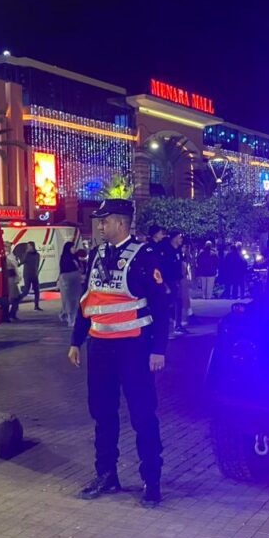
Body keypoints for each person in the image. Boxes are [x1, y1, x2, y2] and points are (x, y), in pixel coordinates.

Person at [67, 199, 168, 508]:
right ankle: (106, 474)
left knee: (142, 414)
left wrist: (159, 349)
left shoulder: (145, 256)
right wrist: (76, 341)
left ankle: (151, 481)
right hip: (100, 348)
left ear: (121, 223)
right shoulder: (97, 255)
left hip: (134, 348)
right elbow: (88, 300)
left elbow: (161, 305)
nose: (100, 226)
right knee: (103, 414)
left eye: (105, 221)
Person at [57, 242, 84, 327]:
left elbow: (80, 268)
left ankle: (66, 315)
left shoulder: (75, 257)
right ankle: (70, 318)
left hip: (76, 280)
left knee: (75, 300)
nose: (74, 249)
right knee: (68, 300)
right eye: (72, 247)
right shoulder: (65, 257)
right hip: (67, 280)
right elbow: (63, 270)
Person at [16, 241, 42, 311]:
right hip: (27, 275)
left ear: (32, 246)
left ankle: (36, 306)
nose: (28, 247)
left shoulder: (37, 255)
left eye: (29, 246)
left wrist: (36, 272)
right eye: (27, 246)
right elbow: (21, 262)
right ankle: (16, 301)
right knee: (26, 291)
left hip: (34, 275)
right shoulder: (26, 254)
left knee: (37, 291)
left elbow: (37, 264)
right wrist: (26, 253)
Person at [4, 242, 22, 322]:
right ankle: (10, 315)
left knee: (14, 298)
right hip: (10, 279)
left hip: (10, 278)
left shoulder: (8, 256)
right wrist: (18, 277)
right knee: (13, 298)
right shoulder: (8, 256)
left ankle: (10, 315)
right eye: (7, 246)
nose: (9, 248)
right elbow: (15, 268)